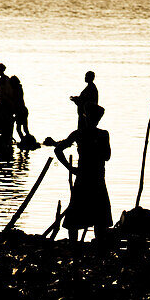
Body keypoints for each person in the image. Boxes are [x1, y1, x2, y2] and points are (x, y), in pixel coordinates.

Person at [54, 103, 112, 245]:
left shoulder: (84, 134)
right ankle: (81, 247)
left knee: (94, 219)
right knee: (89, 218)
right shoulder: (96, 134)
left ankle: (83, 247)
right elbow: (107, 156)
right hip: (90, 179)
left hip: (91, 179)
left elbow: (58, 150)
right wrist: (70, 168)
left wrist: (71, 168)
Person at [9, 74, 33, 143]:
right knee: (25, 128)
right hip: (23, 110)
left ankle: (24, 140)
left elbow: (16, 101)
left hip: (20, 111)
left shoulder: (16, 90)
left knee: (19, 129)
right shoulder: (19, 88)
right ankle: (26, 140)